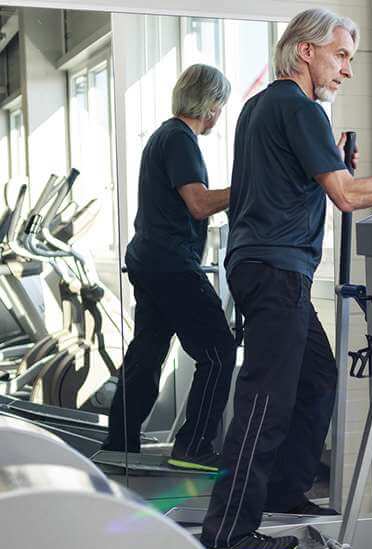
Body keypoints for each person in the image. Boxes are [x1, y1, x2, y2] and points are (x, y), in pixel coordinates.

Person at [200, 9, 372, 549]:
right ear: (306, 51)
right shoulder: (301, 106)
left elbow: (286, 184)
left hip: (259, 264)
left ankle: (284, 494)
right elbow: (348, 196)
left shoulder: (260, 107)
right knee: (266, 400)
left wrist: (331, 159)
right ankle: (229, 533)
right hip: (277, 269)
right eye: (341, 56)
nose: (347, 71)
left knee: (315, 379)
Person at [104, 64, 235, 472]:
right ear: (211, 105)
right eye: (220, 106)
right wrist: (249, 185)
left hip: (149, 259)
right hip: (170, 264)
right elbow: (198, 203)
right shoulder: (180, 139)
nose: (218, 114)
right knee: (219, 352)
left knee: (147, 352)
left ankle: (118, 445)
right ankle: (193, 446)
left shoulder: (164, 135)